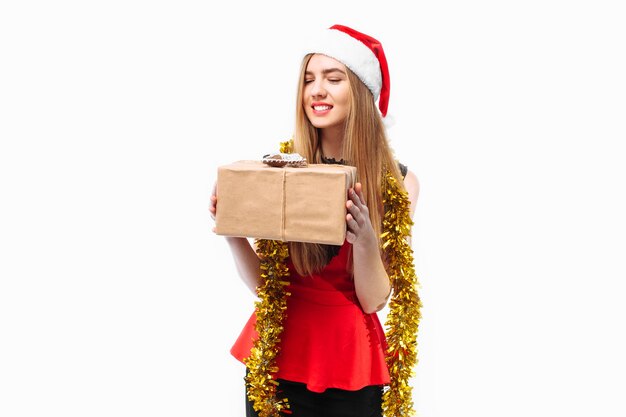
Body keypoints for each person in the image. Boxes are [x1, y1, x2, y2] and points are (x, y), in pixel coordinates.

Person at [210, 24, 421, 417]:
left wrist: (365, 240)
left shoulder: (399, 183)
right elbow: (266, 286)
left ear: (359, 90)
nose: (316, 90)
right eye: (308, 80)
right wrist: (233, 234)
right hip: (280, 354)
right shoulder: (279, 170)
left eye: (332, 78)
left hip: (350, 359)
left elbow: (374, 299)